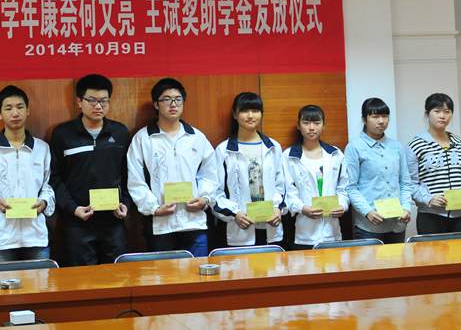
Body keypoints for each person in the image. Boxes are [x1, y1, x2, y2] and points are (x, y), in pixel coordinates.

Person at [127, 77, 217, 257]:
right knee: (164, 273)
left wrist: (205, 198)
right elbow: (135, 180)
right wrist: (153, 208)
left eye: (178, 99)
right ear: (156, 104)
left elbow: (210, 174)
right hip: (160, 223)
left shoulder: (197, 137)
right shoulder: (143, 139)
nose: (173, 104)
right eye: (166, 99)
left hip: (194, 221)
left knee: (197, 271)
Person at [0, 86, 55, 262]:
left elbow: (49, 184)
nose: (15, 113)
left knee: (40, 280)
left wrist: (44, 202)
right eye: (8, 108)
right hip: (2, 237)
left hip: (36, 235)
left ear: (27, 110)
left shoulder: (42, 148)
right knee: (3, 280)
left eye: (20, 107)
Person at [50, 74, 130, 265]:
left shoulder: (120, 132)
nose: (98, 106)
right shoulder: (63, 134)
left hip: (113, 220)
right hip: (78, 221)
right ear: (79, 102)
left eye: (104, 101)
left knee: (117, 275)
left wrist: (125, 203)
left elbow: (129, 174)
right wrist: (73, 208)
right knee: (83, 278)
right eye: (92, 100)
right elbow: (55, 178)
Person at [212, 92, 286, 248]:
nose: (251, 115)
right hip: (239, 226)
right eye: (245, 111)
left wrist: (277, 209)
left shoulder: (274, 147)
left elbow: (282, 186)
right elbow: (216, 192)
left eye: (256, 110)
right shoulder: (223, 151)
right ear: (235, 114)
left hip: (270, 225)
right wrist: (235, 214)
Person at [407, 93, 461, 234]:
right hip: (430, 216)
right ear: (427, 114)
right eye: (437, 111)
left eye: (447, 112)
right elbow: (410, 183)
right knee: (433, 250)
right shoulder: (415, 145)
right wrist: (428, 199)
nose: (442, 116)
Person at [345, 98, 413, 244]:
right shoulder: (354, 147)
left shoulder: (396, 146)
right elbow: (351, 187)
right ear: (364, 119)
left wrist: (406, 208)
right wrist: (367, 212)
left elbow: (405, 183)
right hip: (369, 225)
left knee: (398, 259)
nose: (381, 121)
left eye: (385, 116)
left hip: (397, 223)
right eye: (375, 116)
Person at [283, 105, 348, 250]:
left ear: (324, 125)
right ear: (298, 126)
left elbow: (343, 187)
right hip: (303, 232)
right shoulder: (289, 156)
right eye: (306, 123)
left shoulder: (335, 154)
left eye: (317, 123)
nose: (311, 128)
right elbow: (288, 192)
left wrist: (342, 205)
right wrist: (302, 208)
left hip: (332, 231)